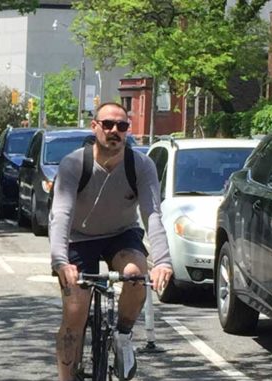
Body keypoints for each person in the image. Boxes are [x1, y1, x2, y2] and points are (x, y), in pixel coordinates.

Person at [49, 102, 173, 381]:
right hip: (78, 238)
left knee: (135, 275)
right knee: (75, 314)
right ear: (95, 127)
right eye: (108, 124)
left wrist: (163, 262)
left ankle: (123, 336)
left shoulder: (140, 165)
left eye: (122, 126)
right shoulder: (74, 164)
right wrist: (60, 262)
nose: (114, 131)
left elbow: (152, 213)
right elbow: (61, 214)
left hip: (121, 234)